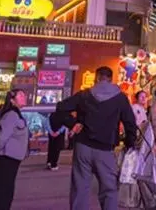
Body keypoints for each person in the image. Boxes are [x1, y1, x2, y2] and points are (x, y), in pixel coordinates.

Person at [55, 66, 137, 210]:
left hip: (83, 147)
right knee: (109, 189)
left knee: (80, 187)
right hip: (105, 150)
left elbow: (61, 107)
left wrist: (73, 123)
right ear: (111, 79)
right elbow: (130, 122)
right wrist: (130, 143)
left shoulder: (84, 95)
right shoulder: (120, 98)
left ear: (96, 78)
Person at [0, 89, 29, 210]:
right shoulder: (11, 115)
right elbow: (1, 138)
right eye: (20, 95)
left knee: (5, 194)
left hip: (11, 161)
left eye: (24, 95)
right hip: (4, 160)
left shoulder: (17, 114)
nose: (24, 97)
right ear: (12, 100)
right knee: (1, 196)